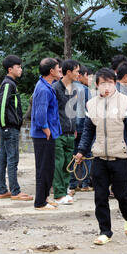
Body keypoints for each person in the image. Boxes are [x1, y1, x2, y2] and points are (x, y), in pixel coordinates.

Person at [75, 68, 127, 245]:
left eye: (110, 83)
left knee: (122, 195)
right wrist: (82, 151)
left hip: (121, 157)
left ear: (115, 84)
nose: (106, 87)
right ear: (96, 85)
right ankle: (105, 231)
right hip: (99, 158)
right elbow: (87, 131)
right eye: (102, 84)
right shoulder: (91, 105)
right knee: (100, 197)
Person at [0, 56, 33, 201]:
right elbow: (1, 105)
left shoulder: (11, 84)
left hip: (9, 127)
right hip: (9, 128)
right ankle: (15, 191)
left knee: (4, 158)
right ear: (10, 69)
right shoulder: (7, 84)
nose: (20, 69)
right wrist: (5, 126)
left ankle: (2, 190)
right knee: (12, 159)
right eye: (18, 67)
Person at [30, 58, 62, 210]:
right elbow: (40, 112)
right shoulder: (43, 89)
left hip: (48, 134)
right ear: (51, 71)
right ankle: (40, 202)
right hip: (43, 135)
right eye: (58, 68)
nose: (59, 70)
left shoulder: (46, 86)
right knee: (44, 168)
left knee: (48, 168)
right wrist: (45, 128)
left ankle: (44, 198)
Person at [52, 59, 80, 205]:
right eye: (76, 71)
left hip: (70, 132)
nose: (78, 74)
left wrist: (74, 128)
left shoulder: (74, 89)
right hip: (58, 133)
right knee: (58, 163)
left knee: (68, 164)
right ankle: (58, 194)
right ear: (68, 72)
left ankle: (64, 190)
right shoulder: (55, 88)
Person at [69, 65, 93, 192]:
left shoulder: (67, 88)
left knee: (73, 155)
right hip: (84, 127)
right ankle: (85, 184)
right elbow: (90, 109)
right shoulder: (85, 90)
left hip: (71, 129)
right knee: (86, 154)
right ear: (82, 75)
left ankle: (72, 184)